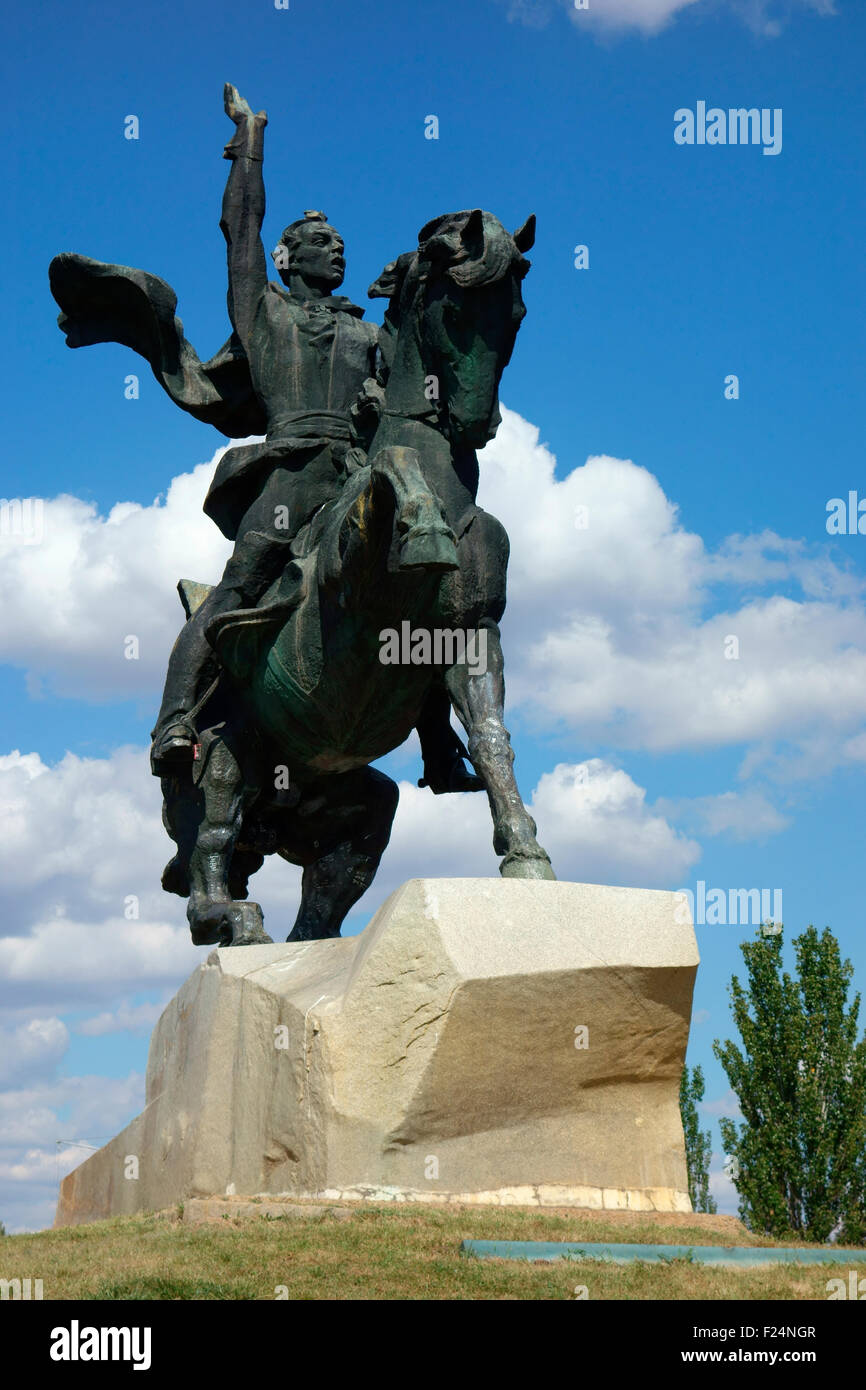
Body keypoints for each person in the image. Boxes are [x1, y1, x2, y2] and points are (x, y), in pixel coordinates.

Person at [150, 85, 479, 793]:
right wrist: (250, 141)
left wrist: (411, 303)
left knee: (426, 590)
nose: (335, 252)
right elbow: (239, 229)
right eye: (321, 245)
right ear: (286, 256)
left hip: (362, 474)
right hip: (293, 475)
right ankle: (175, 720)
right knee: (235, 591)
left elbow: (410, 389)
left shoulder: (365, 331)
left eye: (340, 246)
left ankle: (439, 748)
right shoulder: (263, 313)